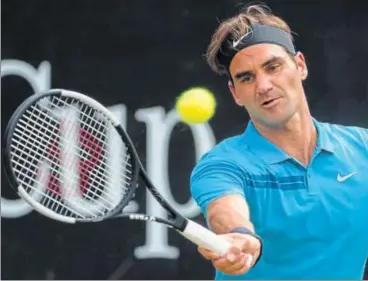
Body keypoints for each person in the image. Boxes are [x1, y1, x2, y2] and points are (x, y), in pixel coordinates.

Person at [190, 3, 368, 280]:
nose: (263, 86)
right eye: (246, 78)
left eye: (273, 67)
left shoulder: (362, 148)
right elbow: (225, 209)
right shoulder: (221, 165)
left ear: (300, 65)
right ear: (235, 93)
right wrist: (239, 236)